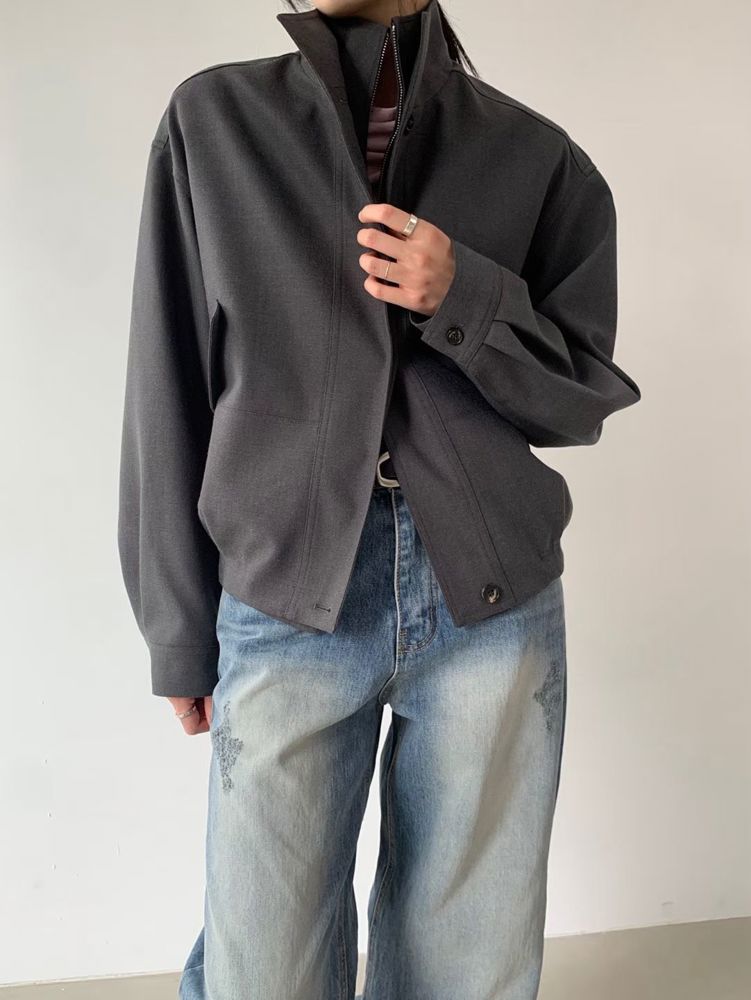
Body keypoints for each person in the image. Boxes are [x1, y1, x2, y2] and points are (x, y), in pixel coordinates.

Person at [117, 1, 642, 997]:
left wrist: (464, 295)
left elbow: (578, 399)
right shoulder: (214, 123)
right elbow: (167, 382)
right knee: (262, 967)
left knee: (465, 964)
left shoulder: (534, 155)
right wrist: (177, 630)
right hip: (286, 590)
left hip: (488, 598)